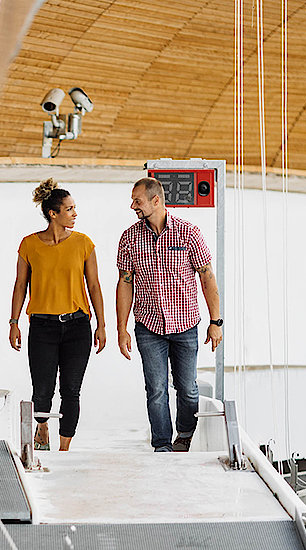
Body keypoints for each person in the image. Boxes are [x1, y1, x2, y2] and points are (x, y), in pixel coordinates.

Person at [116, 177, 223, 452]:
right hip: (148, 326)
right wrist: (121, 328)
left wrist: (215, 322)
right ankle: (162, 445)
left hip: (185, 325)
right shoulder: (129, 238)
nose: (132, 206)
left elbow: (207, 277)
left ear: (156, 201)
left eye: (137, 201)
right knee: (156, 390)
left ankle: (185, 437)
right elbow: (125, 282)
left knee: (187, 389)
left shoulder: (188, 233)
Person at [9, 178, 106, 451]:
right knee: (42, 391)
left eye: (75, 208)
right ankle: (42, 429)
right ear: (53, 213)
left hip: (77, 327)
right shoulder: (29, 245)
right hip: (42, 328)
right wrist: (14, 322)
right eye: (70, 209)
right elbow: (20, 285)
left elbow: (94, 286)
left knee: (71, 391)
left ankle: (64, 450)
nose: (75, 213)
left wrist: (101, 325)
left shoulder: (84, 243)